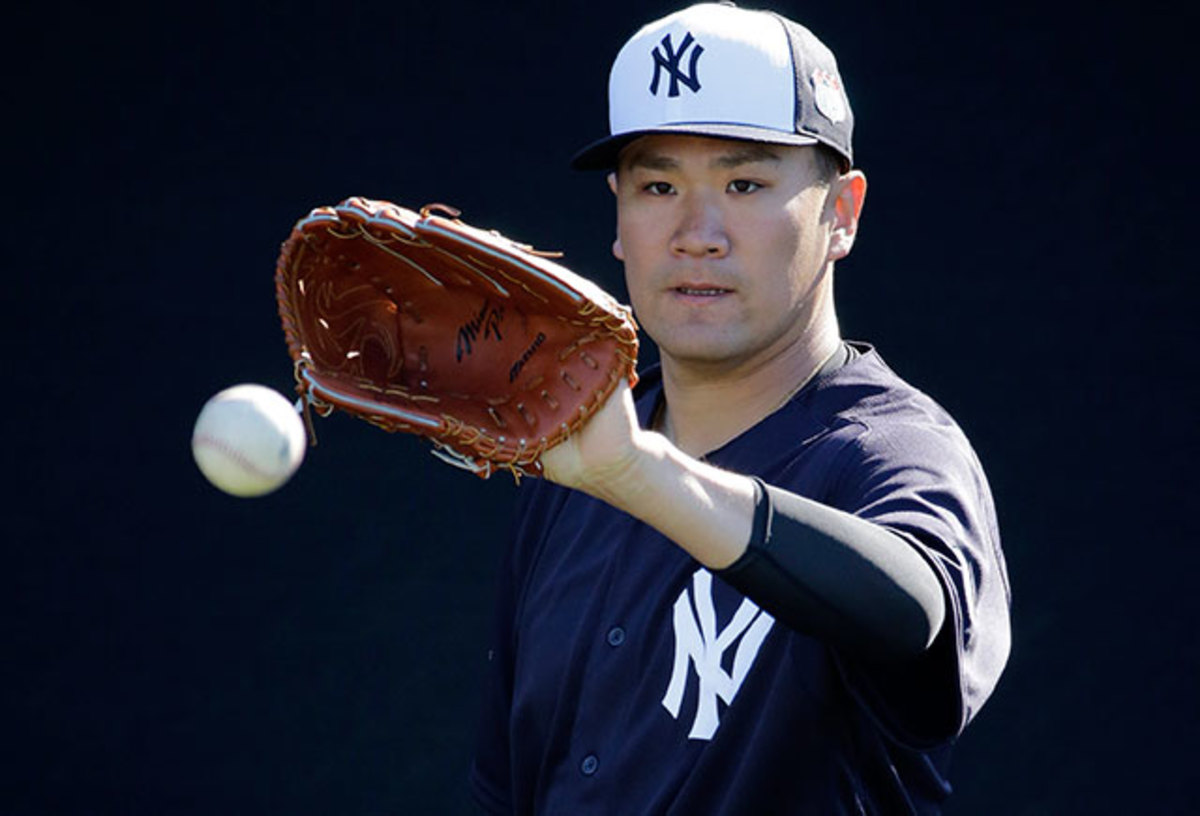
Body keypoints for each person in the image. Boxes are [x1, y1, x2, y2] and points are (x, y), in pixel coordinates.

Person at [470, 3, 1011, 813]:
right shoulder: (575, 466)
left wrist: (641, 476)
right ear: (619, 217)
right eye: (658, 185)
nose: (697, 232)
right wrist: (620, 467)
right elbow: (505, 789)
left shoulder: (889, 453)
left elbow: (915, 614)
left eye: (745, 182)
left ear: (842, 213)